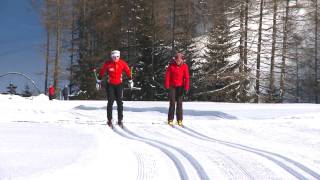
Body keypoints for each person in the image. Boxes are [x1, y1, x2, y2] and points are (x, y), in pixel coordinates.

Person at [97, 50, 133, 128]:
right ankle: (109, 120)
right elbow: (102, 71)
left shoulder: (122, 63)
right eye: (114, 57)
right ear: (111, 57)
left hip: (119, 85)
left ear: (119, 57)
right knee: (110, 102)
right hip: (110, 85)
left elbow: (127, 70)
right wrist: (99, 80)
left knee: (119, 102)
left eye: (117, 57)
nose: (115, 58)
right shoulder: (108, 64)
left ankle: (120, 120)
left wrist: (130, 79)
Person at [165, 52, 190, 127]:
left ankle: (179, 120)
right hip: (172, 86)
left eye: (179, 60)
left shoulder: (185, 66)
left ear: (182, 60)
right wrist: (167, 85)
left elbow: (187, 77)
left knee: (179, 104)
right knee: (172, 103)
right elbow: (167, 76)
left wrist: (186, 87)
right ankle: (170, 119)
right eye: (177, 60)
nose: (178, 61)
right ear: (175, 60)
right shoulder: (171, 66)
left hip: (180, 87)